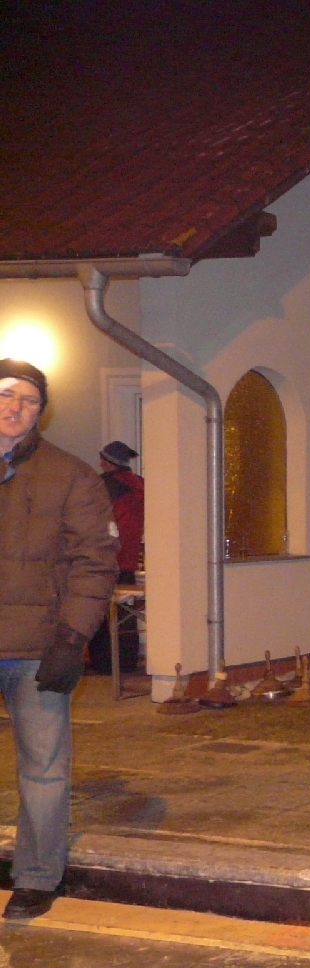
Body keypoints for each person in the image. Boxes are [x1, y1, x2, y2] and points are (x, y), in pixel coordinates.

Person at [0, 359, 119, 920]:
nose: (15, 407)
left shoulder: (70, 476)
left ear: (40, 412)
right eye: (6, 394)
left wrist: (72, 639)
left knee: (43, 767)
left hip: (37, 649)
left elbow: (95, 561)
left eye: (28, 399)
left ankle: (36, 877)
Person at [88, 440, 144, 673]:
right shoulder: (140, 484)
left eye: (103, 459)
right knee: (126, 614)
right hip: (129, 559)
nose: (100, 463)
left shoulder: (104, 485)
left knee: (101, 613)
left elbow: (90, 519)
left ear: (110, 463)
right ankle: (127, 661)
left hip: (105, 557)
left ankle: (104, 664)